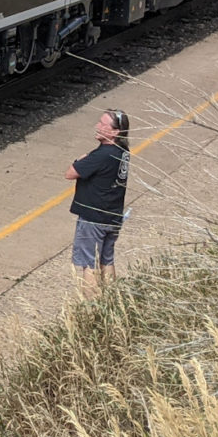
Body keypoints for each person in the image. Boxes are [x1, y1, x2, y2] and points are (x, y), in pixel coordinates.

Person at [65, 108, 129, 297]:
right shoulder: (123, 152)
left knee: (89, 264)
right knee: (107, 260)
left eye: (103, 124)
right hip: (113, 216)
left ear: (115, 132)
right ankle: (111, 300)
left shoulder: (101, 155)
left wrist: (80, 159)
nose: (97, 126)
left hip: (93, 217)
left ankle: (92, 305)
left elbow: (70, 173)